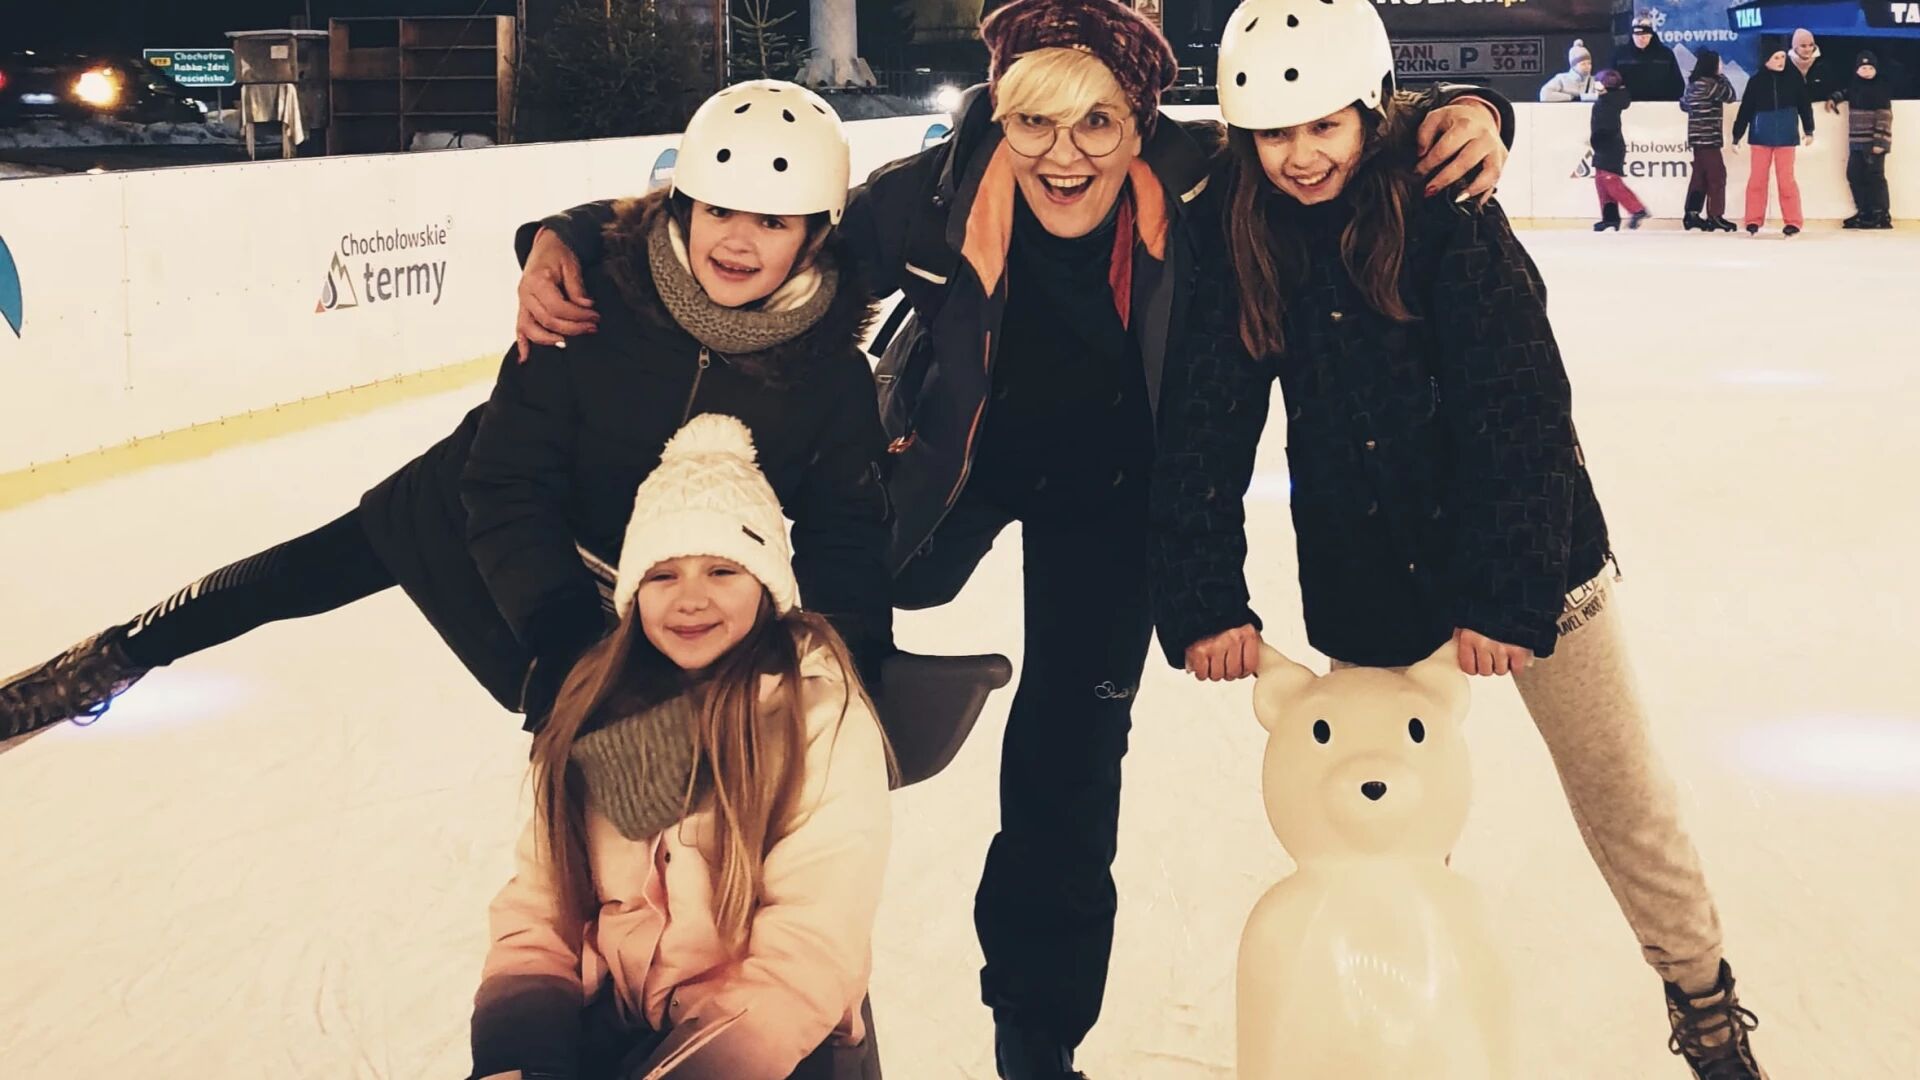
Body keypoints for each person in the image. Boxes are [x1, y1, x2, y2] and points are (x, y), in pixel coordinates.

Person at [511, 3, 1515, 1074]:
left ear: (1142, 117)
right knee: (780, 678)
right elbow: (762, 213)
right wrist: (565, 235)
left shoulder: (1205, 178)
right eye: (1032, 121)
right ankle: (702, 941)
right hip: (954, 474)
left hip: (1114, 498)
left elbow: (1337, 132)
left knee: (1068, 762)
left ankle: (1036, 1044)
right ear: (999, 114)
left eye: (1097, 123)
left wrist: (1471, 108)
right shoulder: (933, 197)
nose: (1062, 155)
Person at [1150, 2, 1772, 1078]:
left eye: (1324, 125)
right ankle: (1403, 1040)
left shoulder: (1445, 205)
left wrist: (1508, 593)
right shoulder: (1237, 228)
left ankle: (1704, 999)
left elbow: (1522, 408)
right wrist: (1204, 596)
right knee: (1385, 828)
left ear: (1369, 110)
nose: (1300, 156)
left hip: (1535, 561)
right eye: (1274, 133)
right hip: (1367, 574)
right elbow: (1206, 421)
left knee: (1620, 792)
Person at [0, 81, 893, 746]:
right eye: (720, 210)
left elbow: (844, 529)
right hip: (474, 518)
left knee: (643, 764)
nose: (737, 240)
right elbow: (507, 485)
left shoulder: (829, 378)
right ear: (683, 205)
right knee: (289, 579)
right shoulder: (585, 306)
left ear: (815, 233)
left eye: (772, 223)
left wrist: (852, 667)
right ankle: (110, 658)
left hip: (634, 585)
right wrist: (563, 640)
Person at [470, 414, 892, 1080]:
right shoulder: (602, 708)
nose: (690, 599)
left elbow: (810, 949)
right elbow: (543, 903)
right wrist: (518, 1050)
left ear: (767, 586)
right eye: (663, 575)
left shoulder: (813, 719)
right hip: (614, 1025)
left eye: (722, 570)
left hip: (770, 1045)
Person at [1733, 50, 1817, 236]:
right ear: (1766, 60)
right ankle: (1753, 220)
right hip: (1760, 137)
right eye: (1776, 58)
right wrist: (1737, 135)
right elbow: (1746, 109)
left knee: (1786, 181)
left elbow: (1804, 105)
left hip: (1786, 137)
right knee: (1757, 180)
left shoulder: (1794, 79)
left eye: (1783, 57)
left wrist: (1809, 129)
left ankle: (1793, 221)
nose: (1781, 61)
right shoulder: (1756, 81)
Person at [1681, 50, 1739, 232]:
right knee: (1717, 176)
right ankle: (1715, 215)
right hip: (1709, 138)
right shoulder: (1712, 84)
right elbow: (1731, 96)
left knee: (1699, 177)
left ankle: (1691, 214)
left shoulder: (1693, 85)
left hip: (1696, 137)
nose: (1722, 66)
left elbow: (1684, 104)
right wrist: (1722, 77)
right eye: (1719, 62)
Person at [1839, 51, 1895, 230]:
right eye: (1863, 68)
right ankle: (1865, 211)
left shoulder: (1880, 88)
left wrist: (1880, 141)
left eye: (1870, 67)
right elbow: (1846, 93)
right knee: (1855, 174)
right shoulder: (1855, 87)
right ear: (1856, 70)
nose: (1867, 71)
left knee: (1874, 176)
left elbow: (1884, 116)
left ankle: (1881, 213)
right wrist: (1835, 97)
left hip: (1873, 142)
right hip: (1857, 142)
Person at [1590, 69, 1650, 231]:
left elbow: (1606, 128)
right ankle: (1610, 218)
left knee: (1609, 180)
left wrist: (1596, 139)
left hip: (1608, 145)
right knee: (1602, 181)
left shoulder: (1607, 103)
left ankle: (1637, 209)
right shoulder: (1608, 100)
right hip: (1607, 145)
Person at [1617, 19, 1685, 103]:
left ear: (1651, 35)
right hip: (1629, 105)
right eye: (1637, 35)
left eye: (1644, 35)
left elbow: (1677, 84)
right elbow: (1611, 81)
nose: (1640, 38)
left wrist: (1669, 104)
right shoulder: (1620, 55)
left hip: (1660, 105)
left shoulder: (1666, 55)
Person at [1787, 28, 1844, 106]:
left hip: (1820, 110)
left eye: (1811, 45)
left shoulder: (1822, 65)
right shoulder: (1786, 65)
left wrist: (1833, 98)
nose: (1808, 49)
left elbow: (1837, 88)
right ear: (1795, 48)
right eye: (1803, 46)